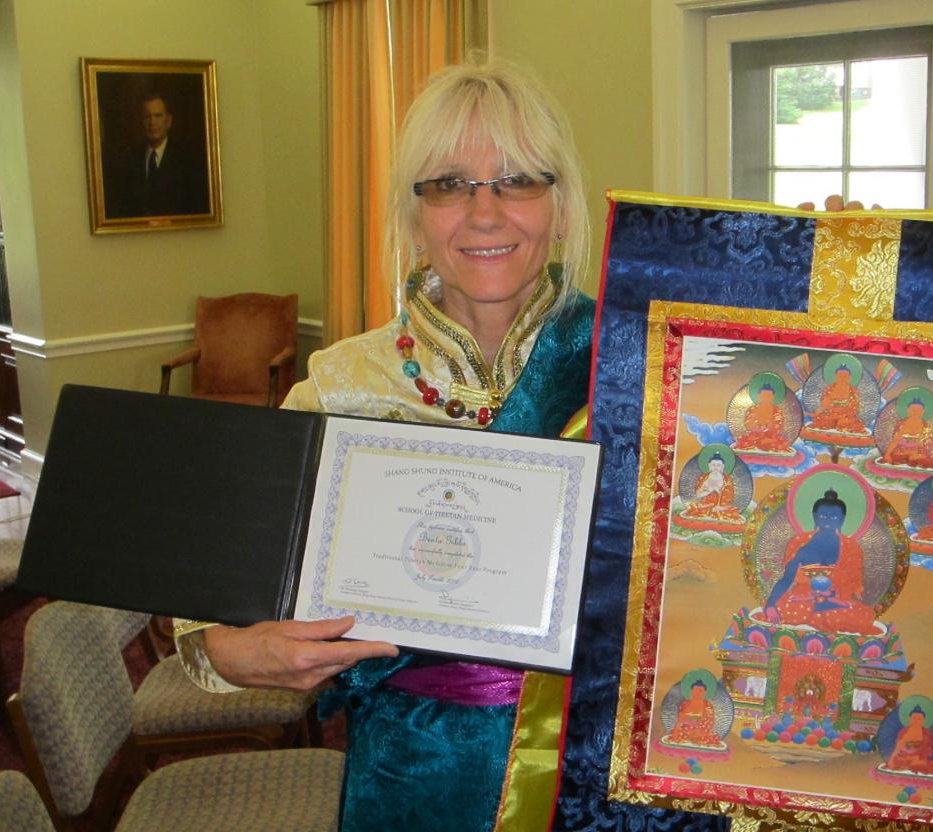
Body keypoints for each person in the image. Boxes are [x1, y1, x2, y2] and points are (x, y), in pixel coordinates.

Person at [174, 57, 593, 831]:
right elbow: (201, 626)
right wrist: (242, 654)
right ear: (413, 213)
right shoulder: (341, 384)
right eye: (449, 184)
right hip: (412, 778)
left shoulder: (629, 369)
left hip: (595, 776)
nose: (485, 212)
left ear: (561, 207)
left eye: (517, 181)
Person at [763, 489, 875, 633]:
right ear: (815, 517)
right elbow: (786, 579)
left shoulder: (851, 548)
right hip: (802, 600)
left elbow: (851, 584)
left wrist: (833, 596)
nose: (828, 519)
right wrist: (771, 605)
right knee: (777, 608)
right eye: (823, 515)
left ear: (842, 519)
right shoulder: (800, 543)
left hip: (834, 602)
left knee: (865, 615)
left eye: (834, 516)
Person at [106, 92, 209, 218]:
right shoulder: (129, 161)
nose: (152, 123)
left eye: (158, 116)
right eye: (147, 117)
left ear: (168, 121)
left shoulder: (188, 160)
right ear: (140, 122)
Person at [683, 451, 744, 522]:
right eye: (713, 465)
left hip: (721, 507)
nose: (716, 467)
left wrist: (721, 507)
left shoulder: (727, 480)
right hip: (705, 505)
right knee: (694, 507)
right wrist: (710, 490)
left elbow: (729, 498)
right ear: (709, 465)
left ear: (722, 466)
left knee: (733, 510)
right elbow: (698, 494)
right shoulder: (704, 478)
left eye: (718, 465)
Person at [881, 399, 933, 468]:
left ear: (923, 411)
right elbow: (894, 442)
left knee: (929, 463)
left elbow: (927, 446)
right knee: (890, 459)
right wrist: (887, 454)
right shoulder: (902, 424)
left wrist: (916, 452)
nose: (915, 412)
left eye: (918, 410)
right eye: (913, 410)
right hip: (901, 453)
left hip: (917, 455)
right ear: (908, 410)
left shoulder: (926, 427)